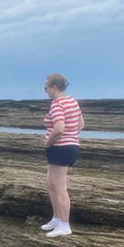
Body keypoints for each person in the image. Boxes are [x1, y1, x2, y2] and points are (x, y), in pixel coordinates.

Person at [40, 73, 84, 238]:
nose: (46, 92)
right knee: (51, 184)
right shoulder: (72, 101)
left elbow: (59, 128)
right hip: (67, 146)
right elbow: (81, 124)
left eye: (46, 88)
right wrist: (72, 137)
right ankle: (56, 219)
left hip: (60, 148)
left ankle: (65, 225)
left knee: (59, 188)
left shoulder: (57, 104)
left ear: (54, 87)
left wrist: (49, 142)